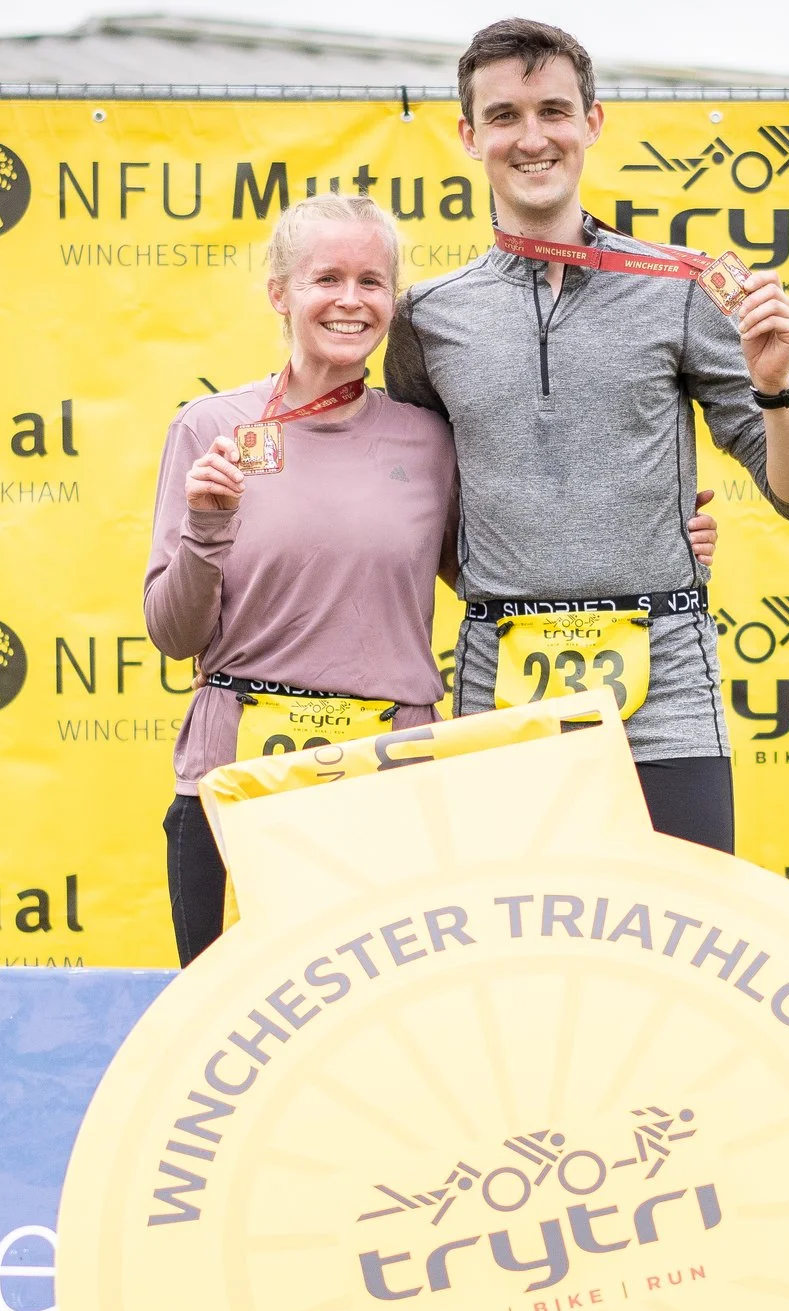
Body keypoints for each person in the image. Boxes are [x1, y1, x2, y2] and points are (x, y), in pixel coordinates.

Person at [145, 193, 720, 965]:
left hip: (392, 776)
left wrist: (652, 544)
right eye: (326, 279)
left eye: (372, 282)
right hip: (234, 780)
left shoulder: (426, 438)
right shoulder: (210, 428)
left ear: (393, 299)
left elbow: (495, 568)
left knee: (387, 1023)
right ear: (280, 293)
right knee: (229, 1018)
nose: (351, 301)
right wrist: (207, 525)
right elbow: (172, 633)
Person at [384, 17, 789, 855]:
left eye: (554, 110)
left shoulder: (682, 290)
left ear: (592, 123)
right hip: (500, 686)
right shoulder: (426, 318)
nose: (532, 137)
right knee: (511, 947)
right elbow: (418, 509)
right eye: (506, 115)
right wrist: (510, 566)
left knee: (680, 949)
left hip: (665, 695)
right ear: (468, 135)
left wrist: (778, 387)